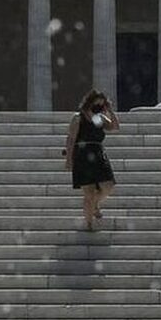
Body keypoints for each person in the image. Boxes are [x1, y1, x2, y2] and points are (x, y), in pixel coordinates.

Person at [64, 90, 120, 232]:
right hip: (82, 155)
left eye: (102, 104)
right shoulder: (78, 117)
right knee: (88, 193)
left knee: (108, 186)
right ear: (90, 102)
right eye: (97, 104)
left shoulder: (98, 118)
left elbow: (115, 127)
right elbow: (71, 139)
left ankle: (95, 204)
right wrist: (69, 159)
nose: (99, 107)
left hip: (98, 155)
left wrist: (110, 110)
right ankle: (89, 223)